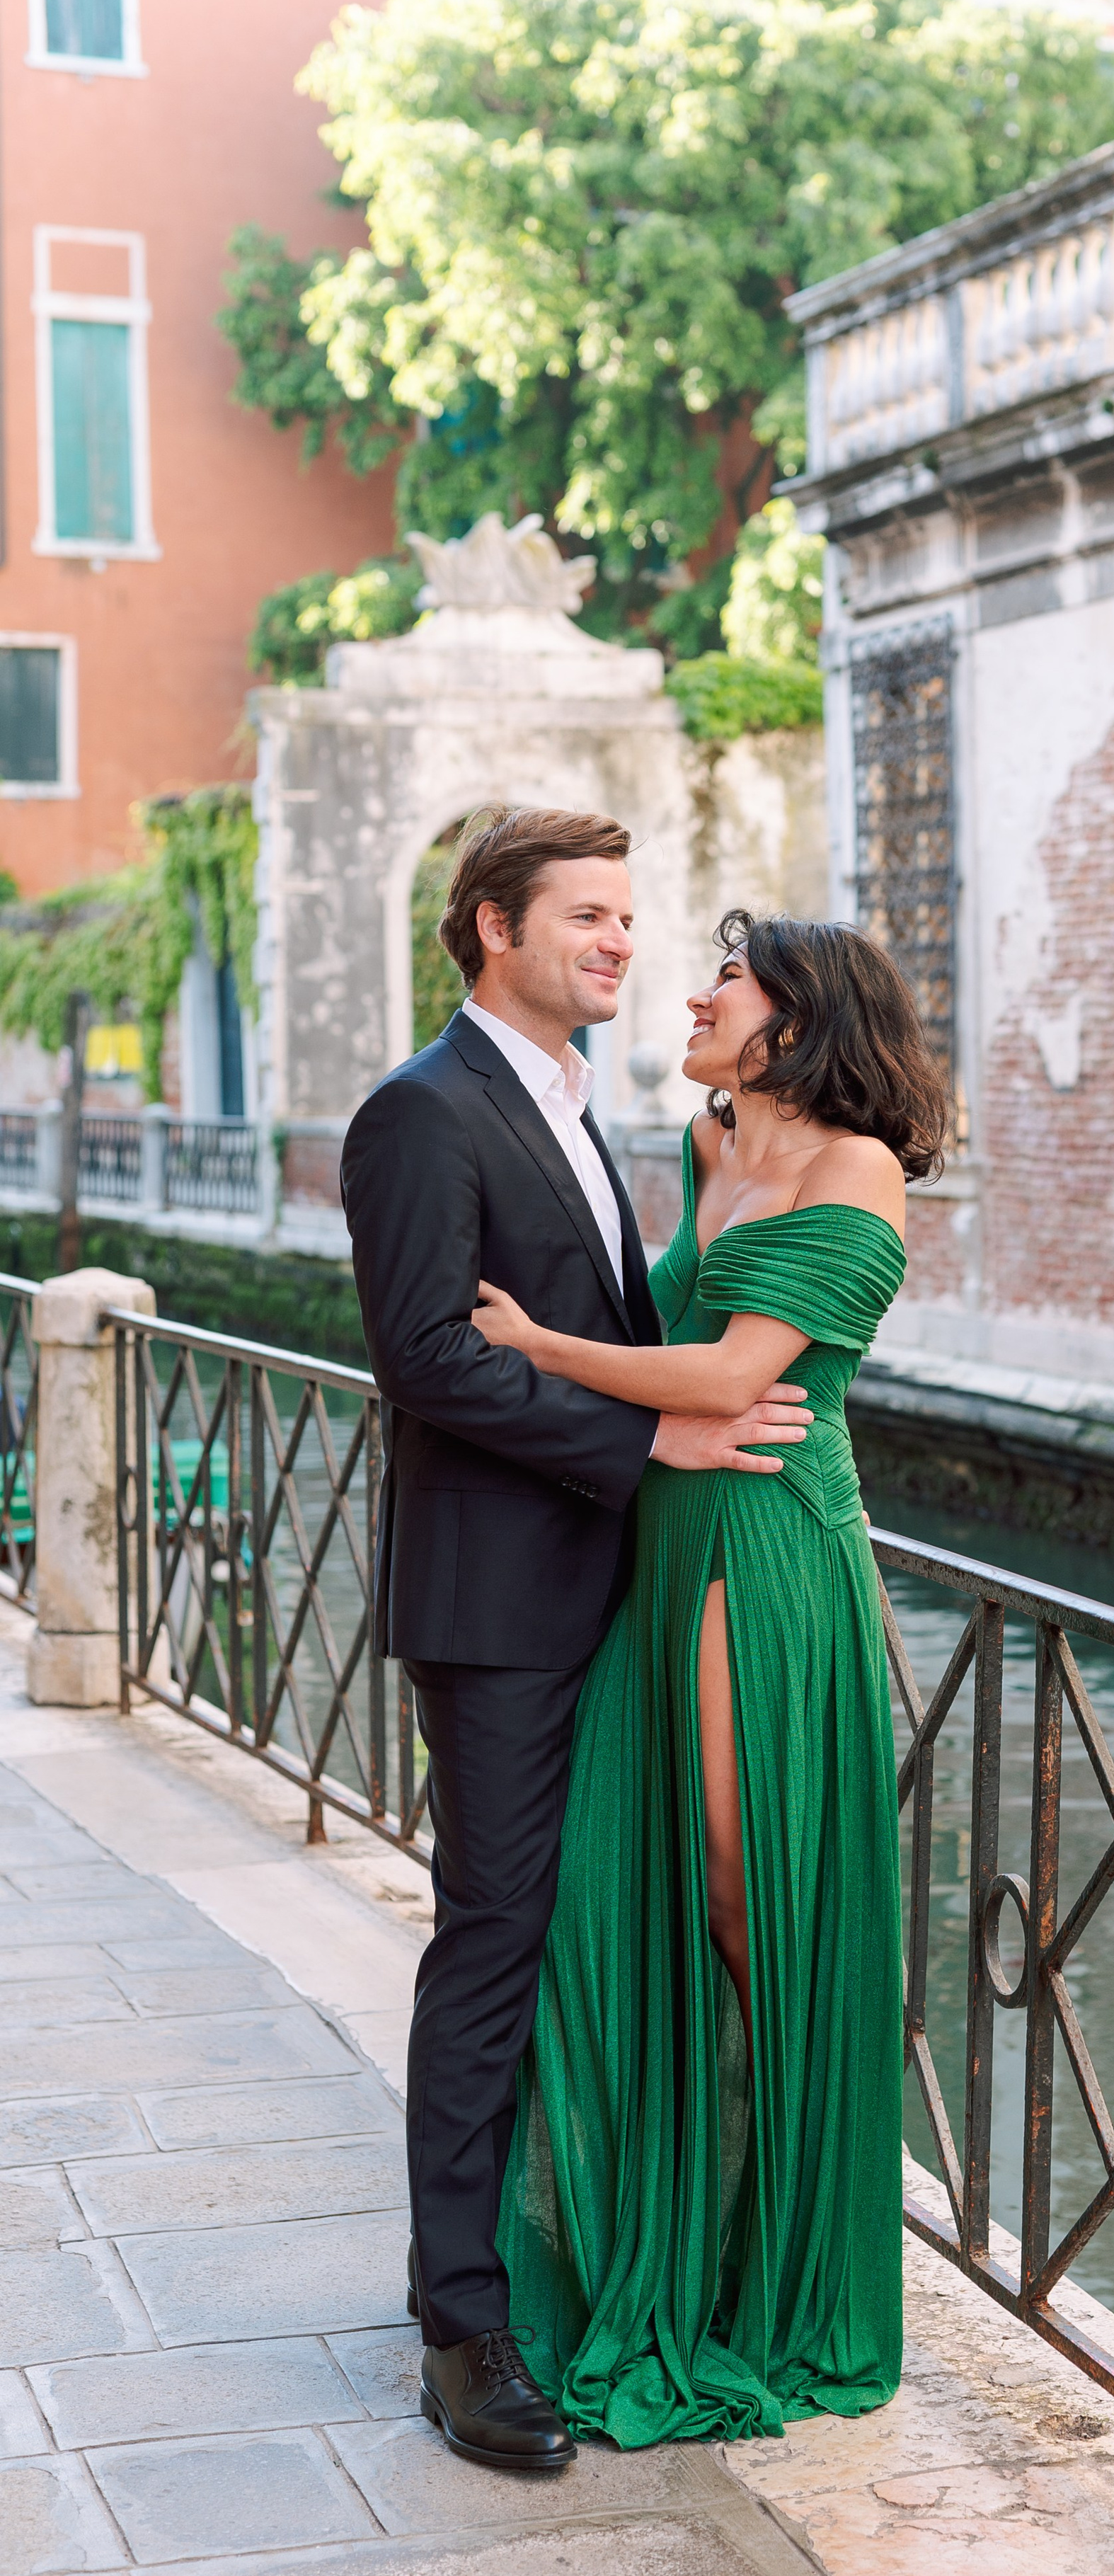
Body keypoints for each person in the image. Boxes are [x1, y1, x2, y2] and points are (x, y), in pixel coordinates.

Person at [340, 809, 815, 2475]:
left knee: (615, 1930)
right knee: (494, 1940)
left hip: (619, 1595)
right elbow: (427, 1365)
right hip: (498, 1608)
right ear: (489, 929)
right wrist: (649, 1450)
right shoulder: (418, 1112)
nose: (623, 943)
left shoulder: (584, 1103)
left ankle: (615, 2247)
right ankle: (460, 2325)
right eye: (588, 918)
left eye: (631, 919)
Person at [474, 908, 946, 2445]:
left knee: (749, 1894)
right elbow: (671, 1320)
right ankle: (675, 2223)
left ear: (800, 1018)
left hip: (764, 1550)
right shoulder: (709, 1138)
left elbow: (737, 1376)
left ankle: (795, 2259)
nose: (690, 993)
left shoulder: (852, 1169)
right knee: (644, 1881)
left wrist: (536, 1348)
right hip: (663, 1546)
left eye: (725, 981)